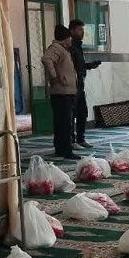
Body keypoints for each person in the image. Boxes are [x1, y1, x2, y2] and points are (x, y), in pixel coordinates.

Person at [41, 25, 80, 160]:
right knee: (64, 123)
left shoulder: (63, 49)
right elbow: (46, 59)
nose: (71, 40)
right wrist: (54, 76)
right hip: (62, 92)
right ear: (65, 38)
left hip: (66, 91)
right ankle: (66, 150)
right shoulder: (57, 48)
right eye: (69, 38)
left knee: (62, 122)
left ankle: (61, 149)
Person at [69, 19, 102, 149]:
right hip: (72, 85)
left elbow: (80, 65)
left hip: (80, 84)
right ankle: (72, 141)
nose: (82, 32)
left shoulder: (78, 46)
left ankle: (81, 139)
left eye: (83, 30)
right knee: (71, 115)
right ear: (72, 30)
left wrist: (89, 65)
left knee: (82, 113)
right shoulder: (70, 46)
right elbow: (71, 66)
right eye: (79, 30)